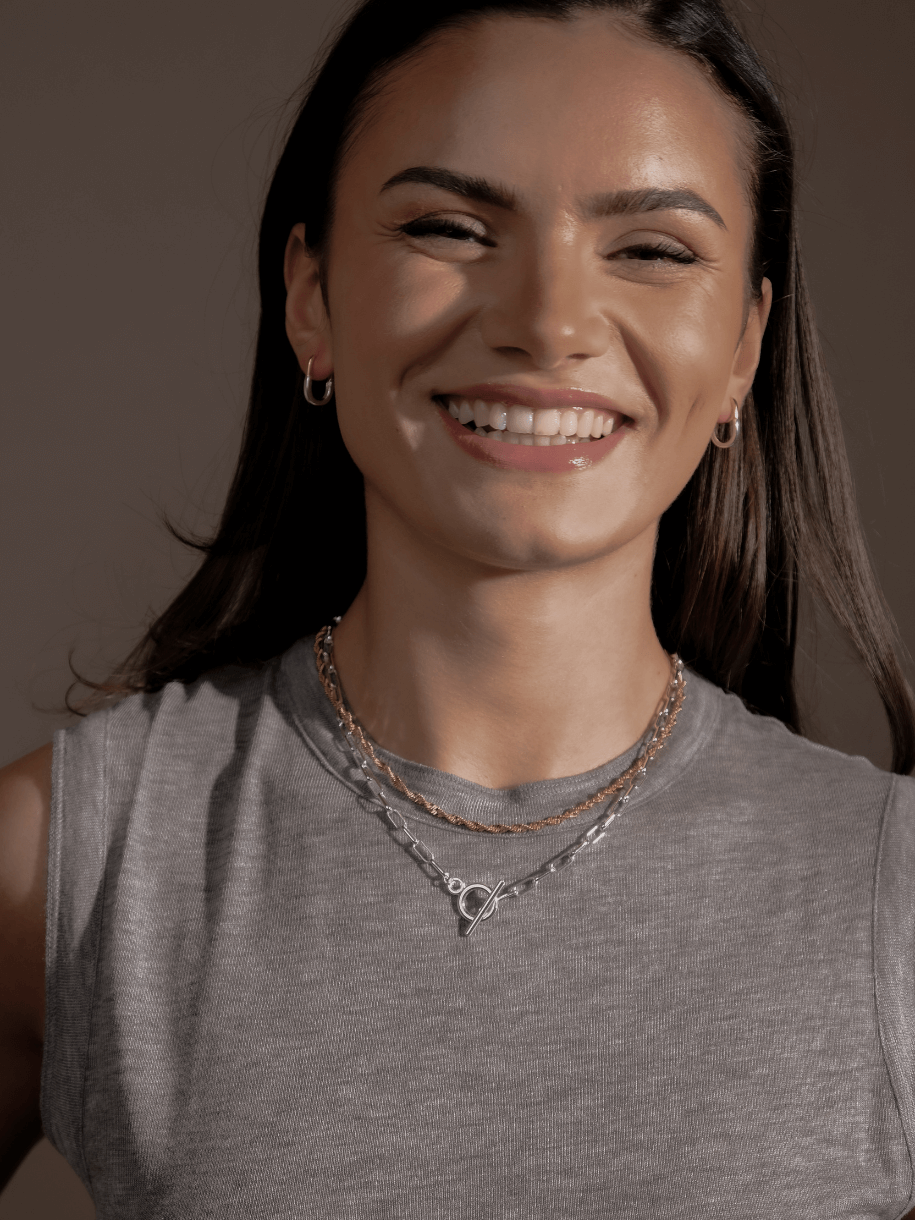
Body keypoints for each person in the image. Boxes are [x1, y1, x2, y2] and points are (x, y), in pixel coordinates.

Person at [2, 0, 914, 1212]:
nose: (547, 323)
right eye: (450, 226)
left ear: (744, 341)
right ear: (312, 297)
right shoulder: (65, 864)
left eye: (651, 248)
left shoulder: (891, 895)